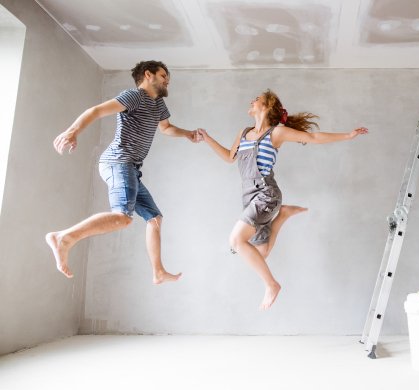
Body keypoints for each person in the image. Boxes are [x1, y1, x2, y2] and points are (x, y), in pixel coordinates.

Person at [199, 89, 368, 310]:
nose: (251, 101)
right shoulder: (243, 133)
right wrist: (207, 138)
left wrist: (347, 135)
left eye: (256, 100)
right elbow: (229, 157)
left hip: (266, 194)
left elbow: (313, 138)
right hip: (249, 196)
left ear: (267, 106)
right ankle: (283, 215)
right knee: (261, 253)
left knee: (236, 241)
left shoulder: (276, 133)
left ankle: (271, 285)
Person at [46, 60, 201, 284]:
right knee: (123, 217)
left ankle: (158, 272)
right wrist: (73, 131)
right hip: (119, 162)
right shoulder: (134, 96)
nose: (168, 81)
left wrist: (187, 133)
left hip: (132, 169)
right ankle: (63, 238)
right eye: (164, 75)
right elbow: (96, 111)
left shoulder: (158, 105)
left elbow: (166, 127)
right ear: (148, 75)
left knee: (155, 218)